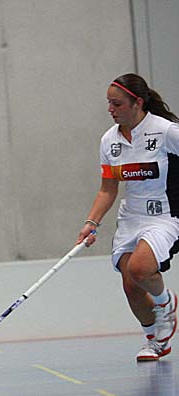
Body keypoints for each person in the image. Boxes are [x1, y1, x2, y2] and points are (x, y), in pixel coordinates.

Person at [77, 73, 179, 362]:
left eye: (117, 103)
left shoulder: (166, 131)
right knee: (131, 286)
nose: (111, 109)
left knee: (140, 268)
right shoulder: (109, 140)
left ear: (138, 103)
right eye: (109, 103)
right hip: (131, 217)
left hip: (165, 216)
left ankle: (166, 302)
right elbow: (107, 189)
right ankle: (155, 340)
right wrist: (91, 223)